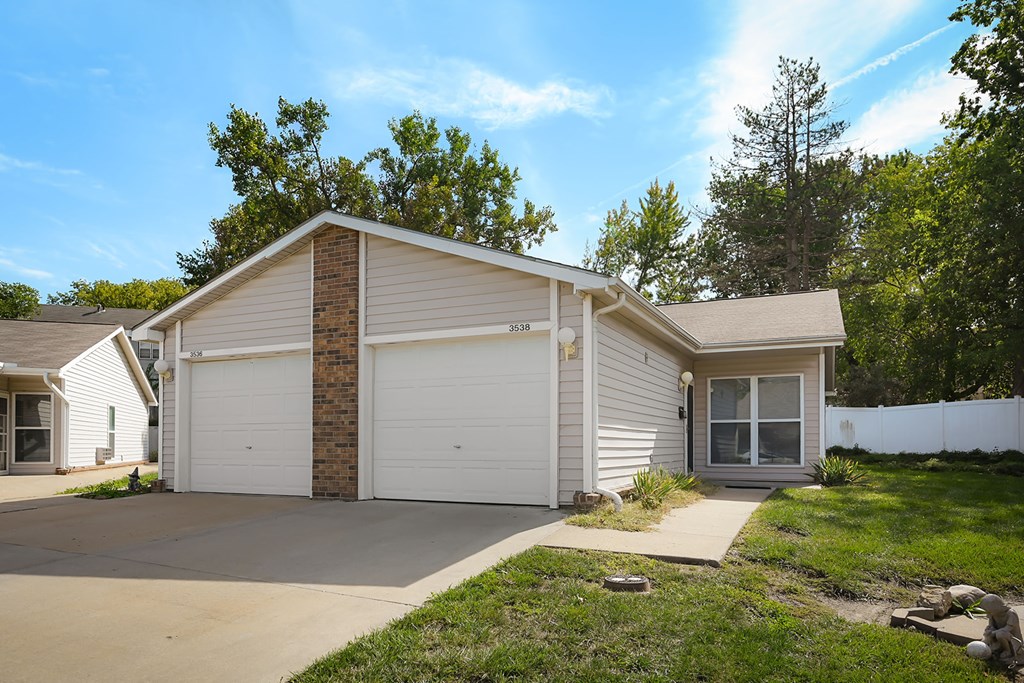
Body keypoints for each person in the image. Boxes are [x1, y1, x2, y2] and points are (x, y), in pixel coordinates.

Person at [980, 594, 1023, 666]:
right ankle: (995, 649)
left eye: (989, 612)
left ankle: (1008, 651)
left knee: (1000, 634)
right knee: (989, 635)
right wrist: (989, 630)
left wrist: (994, 632)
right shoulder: (993, 614)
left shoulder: (1010, 614)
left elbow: (1008, 629)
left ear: (996, 607)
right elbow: (991, 625)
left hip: (1012, 638)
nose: (988, 615)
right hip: (997, 635)